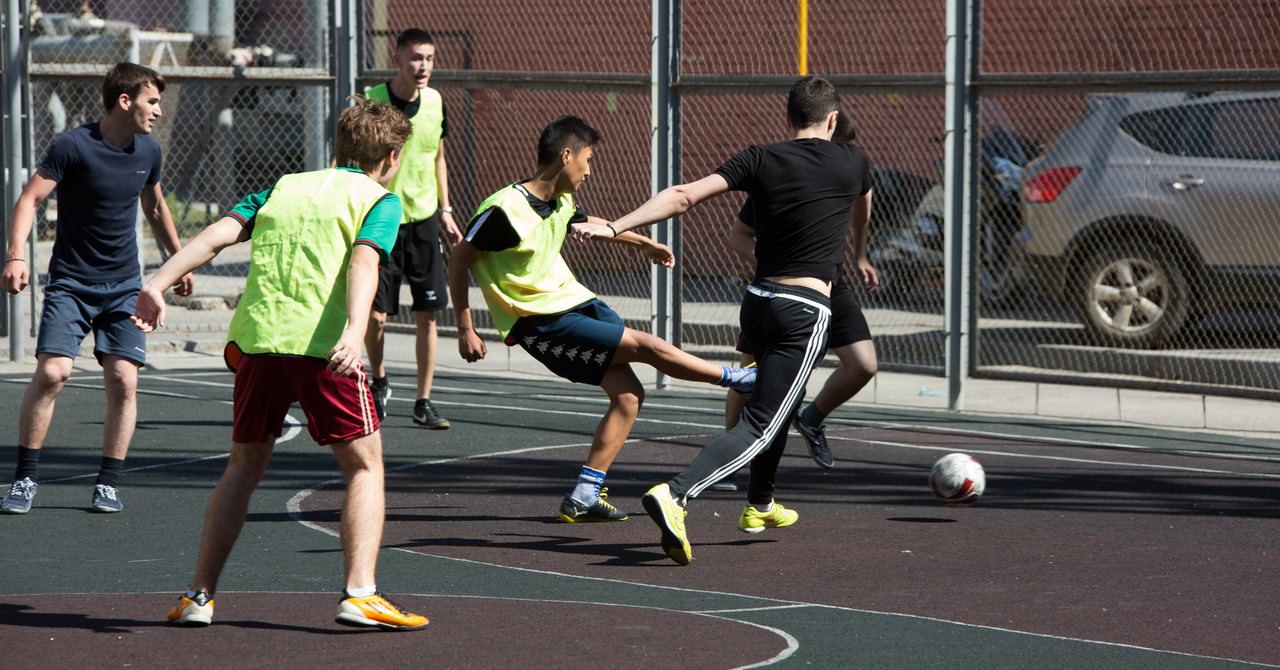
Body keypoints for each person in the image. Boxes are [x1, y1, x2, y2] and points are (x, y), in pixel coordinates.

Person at [133, 96, 428, 631]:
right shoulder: (380, 200)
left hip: (259, 342)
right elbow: (364, 262)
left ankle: (199, 595)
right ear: (391, 156)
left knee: (243, 467)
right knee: (365, 466)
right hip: (322, 349)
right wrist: (355, 331)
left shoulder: (283, 187)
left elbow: (217, 236)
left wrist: (157, 282)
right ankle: (360, 593)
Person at [574, 76, 874, 564]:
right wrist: (860, 251)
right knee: (763, 423)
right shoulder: (854, 161)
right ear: (833, 119)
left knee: (779, 401)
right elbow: (863, 207)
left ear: (788, 117)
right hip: (804, 310)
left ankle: (762, 502)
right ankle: (676, 493)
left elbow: (683, 195)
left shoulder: (760, 157)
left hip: (759, 300)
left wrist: (615, 226)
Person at [449, 115, 758, 524]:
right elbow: (459, 260)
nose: (590, 170)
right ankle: (740, 379)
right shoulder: (504, 210)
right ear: (567, 156)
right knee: (648, 346)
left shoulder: (560, 200)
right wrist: (466, 327)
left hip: (577, 304)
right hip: (541, 323)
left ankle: (584, 494)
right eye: (588, 159)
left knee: (628, 396)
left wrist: (641, 242)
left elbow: (587, 223)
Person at [0, 62, 195, 515]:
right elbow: (30, 198)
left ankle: (107, 483)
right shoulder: (72, 146)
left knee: (124, 379)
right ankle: (25, 478)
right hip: (71, 283)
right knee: (53, 373)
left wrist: (179, 259)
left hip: (125, 287)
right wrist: (15, 256)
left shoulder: (149, 151)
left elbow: (155, 207)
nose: (159, 111)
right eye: (152, 101)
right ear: (125, 101)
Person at [713, 110, 878, 491]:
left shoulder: (850, 171)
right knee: (751, 373)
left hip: (829, 284)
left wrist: (860, 256)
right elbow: (737, 236)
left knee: (864, 365)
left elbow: (862, 215)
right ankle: (729, 457)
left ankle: (812, 418)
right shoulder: (784, 177)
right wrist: (773, 262)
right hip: (779, 287)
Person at [363, 28, 461, 429]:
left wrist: (445, 209)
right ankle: (379, 381)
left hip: (423, 220)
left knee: (428, 315)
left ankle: (424, 401)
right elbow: (357, 157)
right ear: (398, 59)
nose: (424, 66)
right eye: (416, 57)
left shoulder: (435, 101)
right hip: (383, 219)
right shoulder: (373, 100)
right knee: (376, 316)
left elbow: (438, 157)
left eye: (430, 59)